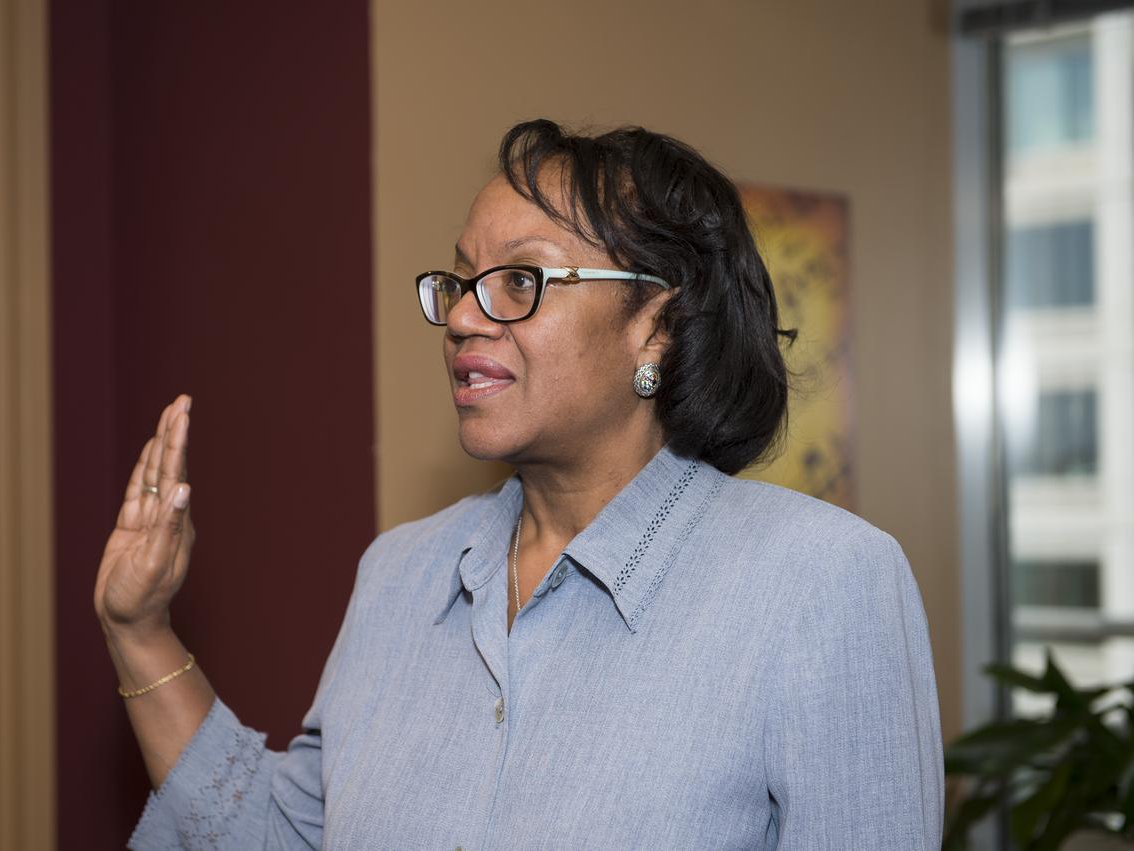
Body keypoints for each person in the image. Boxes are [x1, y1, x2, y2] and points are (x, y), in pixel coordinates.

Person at [102, 119, 943, 850]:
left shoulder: (822, 583)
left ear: (655, 325)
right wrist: (139, 629)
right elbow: (284, 838)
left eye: (519, 280)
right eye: (462, 280)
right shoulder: (399, 574)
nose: (465, 314)